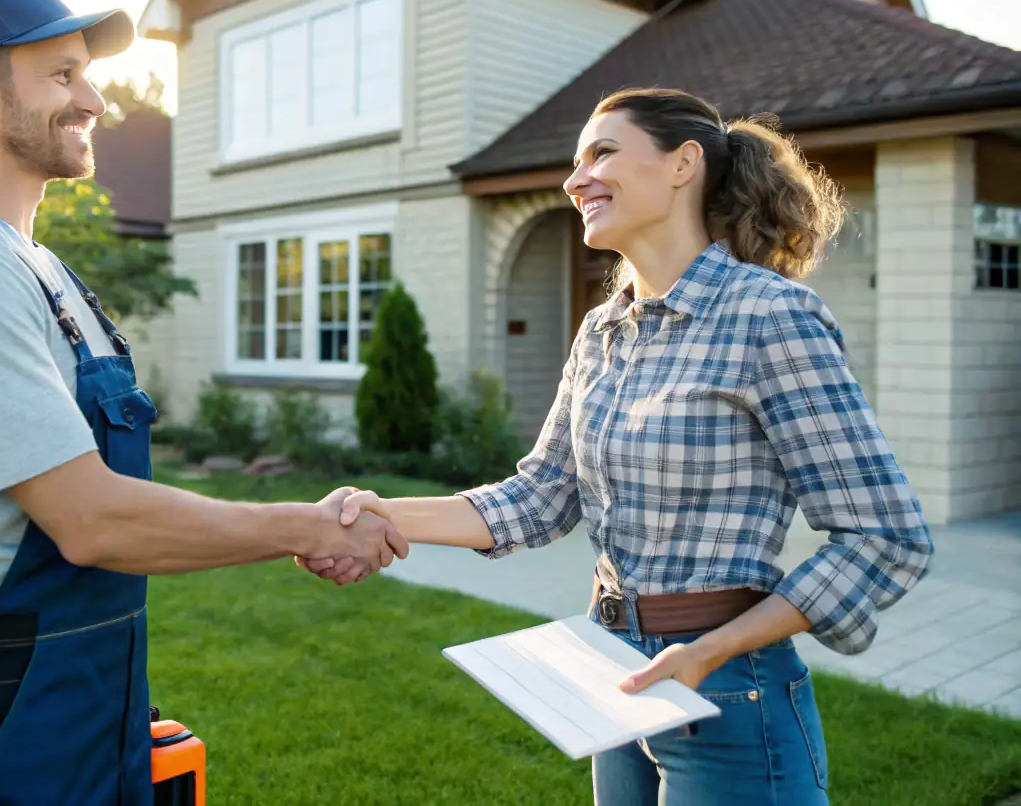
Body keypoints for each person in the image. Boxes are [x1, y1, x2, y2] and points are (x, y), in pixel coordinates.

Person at [0, 0, 408, 805]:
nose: (96, 103)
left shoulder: (32, 265)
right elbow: (88, 519)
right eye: (63, 75)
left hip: (81, 681)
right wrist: (306, 525)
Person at [300, 88, 934, 805]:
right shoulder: (602, 329)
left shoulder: (768, 315)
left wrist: (709, 652)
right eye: (575, 162)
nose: (574, 181)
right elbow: (538, 497)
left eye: (601, 152)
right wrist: (369, 511)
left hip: (724, 689)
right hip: (609, 671)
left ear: (681, 164)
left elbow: (885, 536)